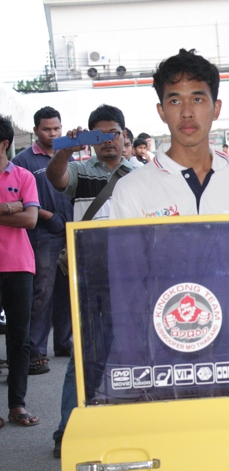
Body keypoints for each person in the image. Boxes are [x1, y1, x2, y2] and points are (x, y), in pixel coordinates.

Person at [47, 104, 138, 458]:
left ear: (124, 135)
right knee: (85, 356)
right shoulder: (79, 170)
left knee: (132, 354)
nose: (107, 140)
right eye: (99, 135)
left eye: (113, 133)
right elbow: (56, 178)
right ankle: (67, 431)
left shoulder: (141, 175)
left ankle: (126, 428)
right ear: (90, 139)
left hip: (131, 279)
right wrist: (65, 151)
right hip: (89, 278)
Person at [110, 49, 229, 220]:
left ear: (216, 109)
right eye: (175, 101)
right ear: (162, 112)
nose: (187, 113)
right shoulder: (130, 190)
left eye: (197, 100)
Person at [12, 107, 74, 376]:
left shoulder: (69, 155)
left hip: (70, 230)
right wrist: (49, 216)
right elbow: (20, 201)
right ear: (35, 130)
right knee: (42, 292)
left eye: (56, 128)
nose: (53, 133)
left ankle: (64, 342)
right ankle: (36, 350)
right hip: (42, 233)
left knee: (67, 290)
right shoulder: (23, 161)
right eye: (46, 129)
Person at [0, 116, 41, 428]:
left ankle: (17, 405)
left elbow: (30, 220)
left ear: (4, 144)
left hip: (18, 264)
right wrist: (10, 206)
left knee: (19, 338)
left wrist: (18, 210)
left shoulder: (23, 175)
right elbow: (23, 213)